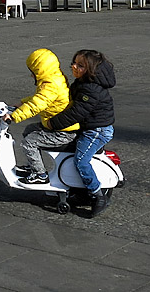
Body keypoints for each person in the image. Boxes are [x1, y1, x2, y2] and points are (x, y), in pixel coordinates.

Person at [48, 50, 117, 217]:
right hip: (91, 127)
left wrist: (54, 123)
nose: (74, 66)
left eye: (80, 65)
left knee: (81, 160)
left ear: (91, 70)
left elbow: (76, 113)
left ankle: (97, 195)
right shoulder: (83, 82)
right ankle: (80, 191)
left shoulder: (91, 89)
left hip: (97, 131)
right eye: (73, 62)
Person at [2, 48, 79, 186]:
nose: (31, 76)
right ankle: (33, 165)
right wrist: (21, 102)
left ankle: (40, 174)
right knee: (29, 130)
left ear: (41, 71)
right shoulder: (53, 78)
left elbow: (37, 105)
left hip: (62, 132)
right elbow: (39, 98)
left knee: (29, 142)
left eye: (33, 73)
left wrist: (14, 117)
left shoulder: (50, 85)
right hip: (58, 126)